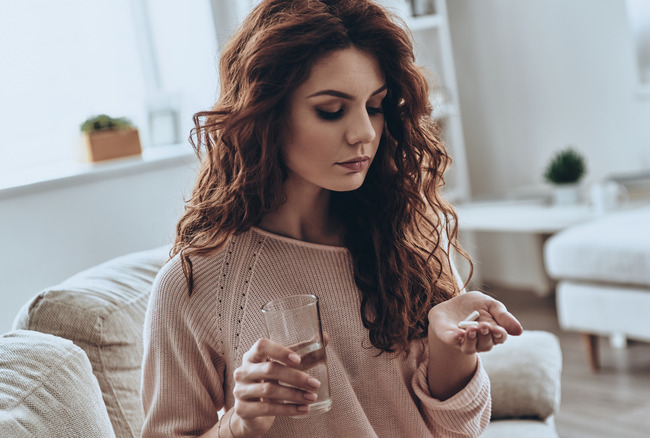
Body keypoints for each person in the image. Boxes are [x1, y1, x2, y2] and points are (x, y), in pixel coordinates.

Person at [141, 0, 523, 437]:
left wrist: (449, 348)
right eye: (331, 110)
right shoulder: (195, 285)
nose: (364, 132)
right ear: (265, 112)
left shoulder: (412, 234)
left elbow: (459, 431)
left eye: (375, 106)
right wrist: (239, 424)